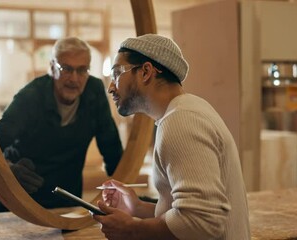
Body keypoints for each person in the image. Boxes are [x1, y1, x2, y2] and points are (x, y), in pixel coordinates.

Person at [92, 34, 250, 239]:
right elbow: (186, 213)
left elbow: (202, 222)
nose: (111, 87)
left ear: (146, 72)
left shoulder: (181, 121)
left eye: (117, 73)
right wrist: (137, 207)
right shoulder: (187, 110)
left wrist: (131, 229)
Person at [0, 37, 123, 211]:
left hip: (66, 203)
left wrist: (123, 192)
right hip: (18, 202)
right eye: (66, 69)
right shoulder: (30, 97)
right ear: (52, 68)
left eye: (82, 70)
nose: (74, 79)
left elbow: (112, 149)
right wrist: (7, 170)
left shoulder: (94, 92)